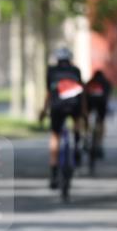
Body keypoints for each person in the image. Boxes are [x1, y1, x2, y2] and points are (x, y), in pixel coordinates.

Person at [40, 47, 86, 188]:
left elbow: (49, 93)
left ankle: (54, 173)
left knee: (55, 136)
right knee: (77, 119)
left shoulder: (51, 71)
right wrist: (84, 112)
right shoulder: (76, 71)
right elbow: (82, 93)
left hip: (57, 106)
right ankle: (77, 144)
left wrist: (44, 110)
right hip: (74, 105)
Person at [84, 68, 113, 159]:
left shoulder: (90, 82)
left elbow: (85, 95)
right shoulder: (106, 83)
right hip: (101, 104)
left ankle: (86, 136)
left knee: (86, 118)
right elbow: (107, 97)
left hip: (90, 104)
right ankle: (99, 144)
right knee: (101, 122)